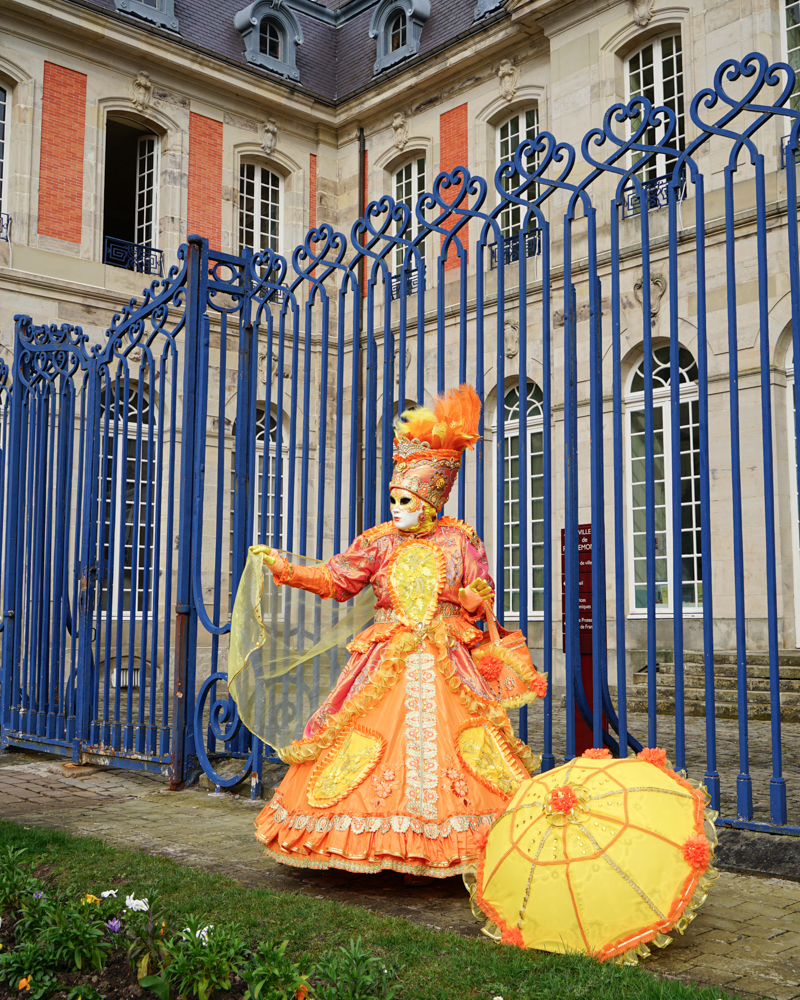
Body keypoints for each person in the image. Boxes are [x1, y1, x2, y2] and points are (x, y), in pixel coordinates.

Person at [247, 385, 545, 878]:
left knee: (467, 746)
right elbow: (336, 579)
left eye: (405, 500)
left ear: (430, 501)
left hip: (448, 661)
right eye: (393, 499)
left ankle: (460, 839)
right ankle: (372, 841)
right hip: (386, 662)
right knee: (364, 743)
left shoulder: (460, 539)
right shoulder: (379, 542)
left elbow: (482, 591)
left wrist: (475, 599)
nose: (396, 508)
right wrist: (286, 568)